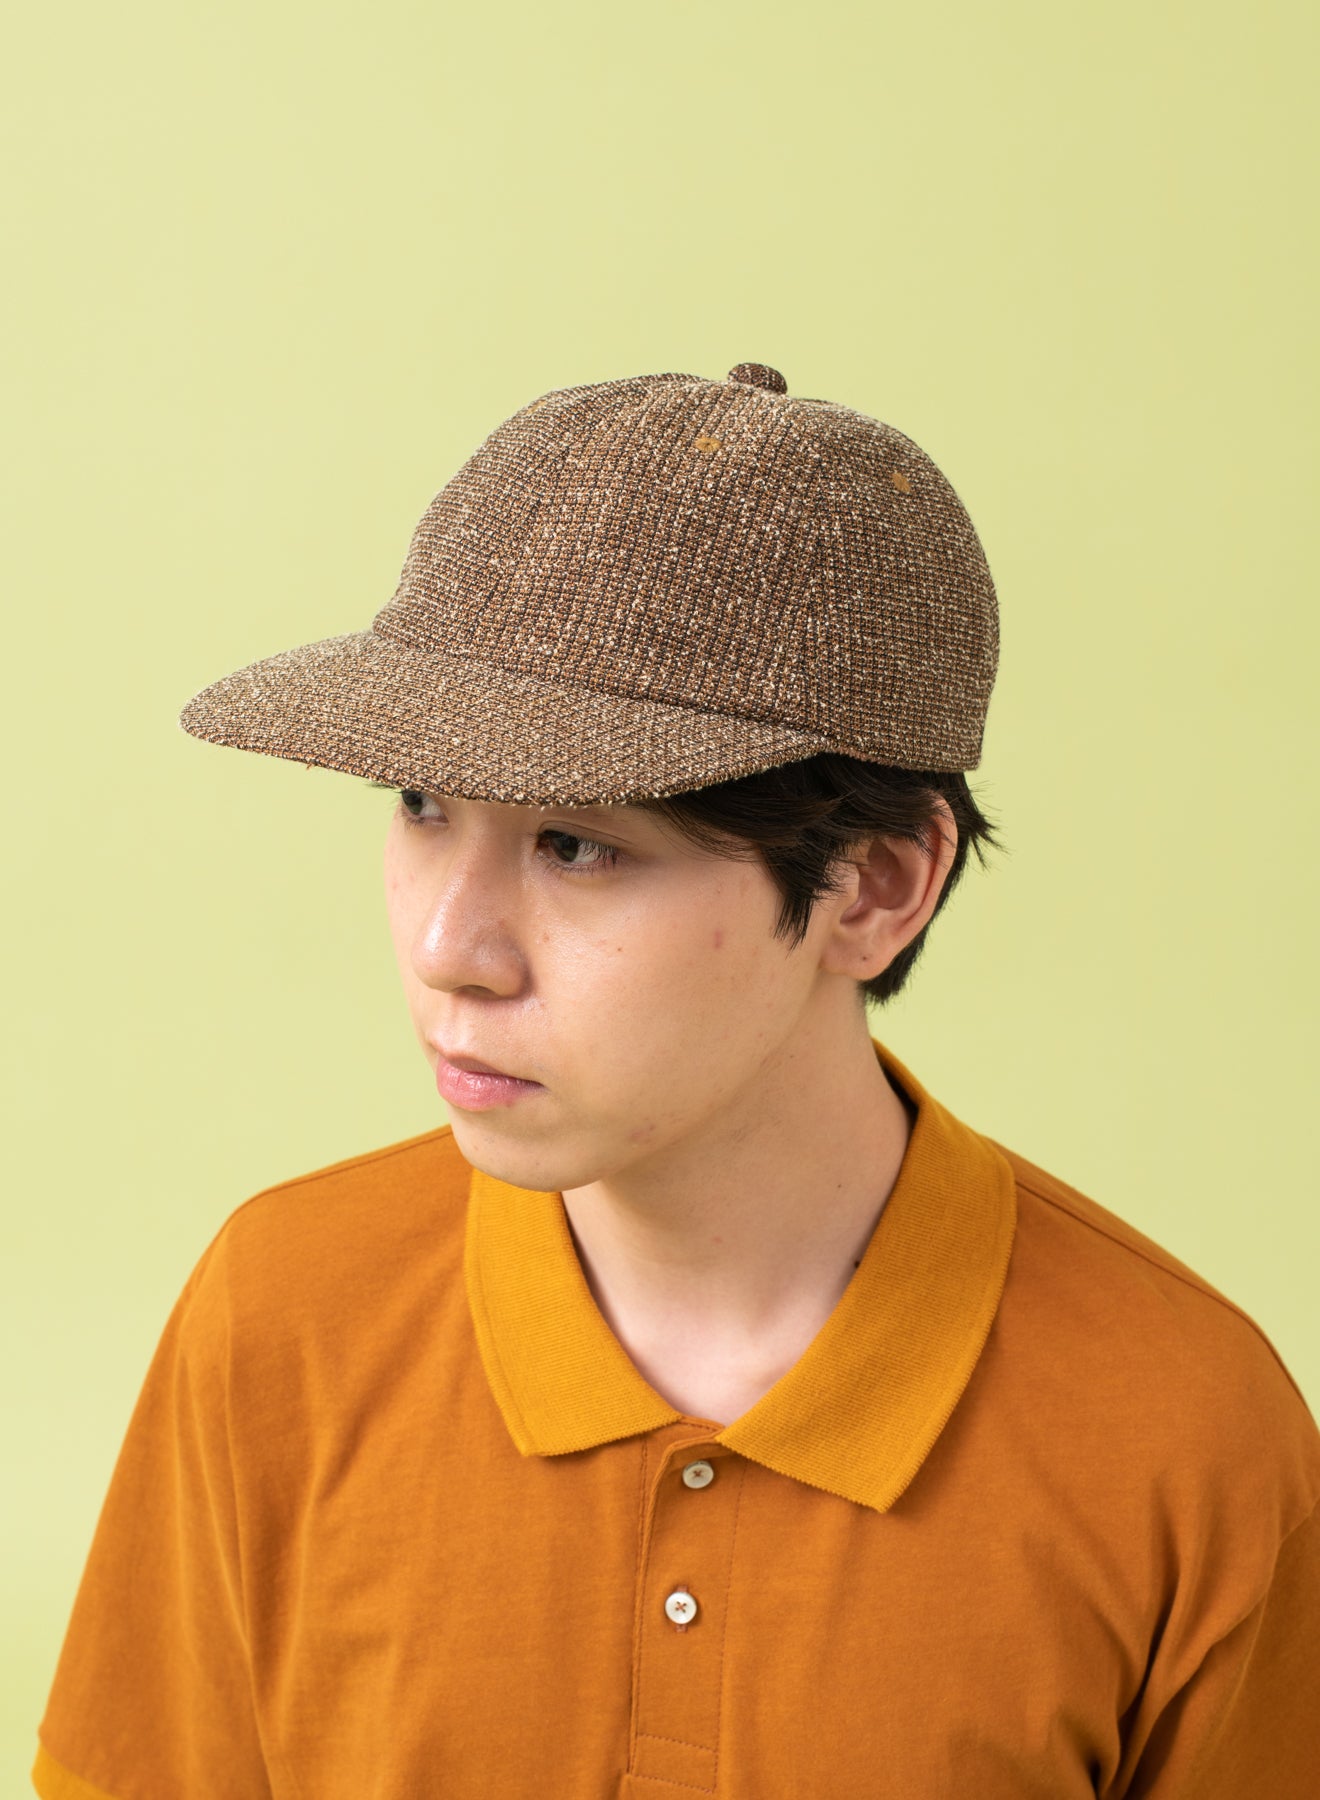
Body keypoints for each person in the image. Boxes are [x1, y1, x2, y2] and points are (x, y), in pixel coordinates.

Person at [32, 363, 1320, 1799]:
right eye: (420, 806)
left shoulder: (1183, 1438)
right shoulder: (282, 1319)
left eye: (577, 845)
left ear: (874, 888)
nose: (449, 949)